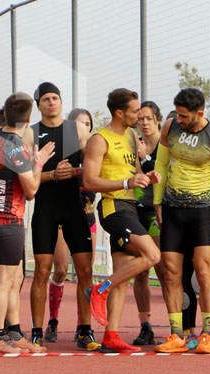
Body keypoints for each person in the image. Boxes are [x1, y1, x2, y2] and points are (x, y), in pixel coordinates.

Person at [151, 87, 210, 354]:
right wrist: (157, 202)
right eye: (177, 115)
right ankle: (176, 335)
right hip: (173, 210)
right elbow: (161, 166)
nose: (180, 120)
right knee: (171, 272)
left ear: (200, 113)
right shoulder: (170, 126)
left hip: (200, 212)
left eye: (185, 116)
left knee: (203, 270)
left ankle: (207, 333)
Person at [83, 88, 161, 352]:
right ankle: (100, 288)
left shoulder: (129, 135)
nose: (139, 115)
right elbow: (89, 181)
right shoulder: (99, 140)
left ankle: (111, 335)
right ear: (119, 112)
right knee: (152, 255)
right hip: (112, 208)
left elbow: (135, 170)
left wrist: (147, 176)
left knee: (123, 273)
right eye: (135, 111)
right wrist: (126, 182)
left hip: (130, 205)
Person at [0, 92, 55, 354]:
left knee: (15, 278)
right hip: (7, 218)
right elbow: (31, 189)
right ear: (29, 118)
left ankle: (14, 331)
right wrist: (38, 163)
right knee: (4, 279)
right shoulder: (15, 147)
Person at [28, 83, 99, 351]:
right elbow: (27, 179)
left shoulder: (75, 129)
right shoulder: (31, 133)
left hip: (73, 208)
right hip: (45, 208)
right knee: (42, 271)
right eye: (45, 99)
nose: (51, 102)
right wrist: (51, 175)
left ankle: (85, 329)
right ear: (38, 104)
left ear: (61, 100)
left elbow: (93, 167)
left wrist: (75, 172)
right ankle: (36, 330)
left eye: (55, 98)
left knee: (85, 270)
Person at [43, 107, 96, 344]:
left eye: (87, 124)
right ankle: (52, 320)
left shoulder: (94, 151)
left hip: (87, 215)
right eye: (79, 124)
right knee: (61, 269)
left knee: (86, 272)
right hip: (61, 214)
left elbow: (97, 179)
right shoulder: (63, 150)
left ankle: (83, 327)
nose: (83, 127)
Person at [131, 100, 163, 345]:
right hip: (137, 209)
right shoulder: (133, 145)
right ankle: (145, 325)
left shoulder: (166, 145)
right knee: (140, 271)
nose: (144, 123)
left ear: (157, 120)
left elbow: (162, 177)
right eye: (140, 119)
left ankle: (177, 325)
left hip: (160, 212)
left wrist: (147, 158)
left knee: (164, 270)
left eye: (148, 118)